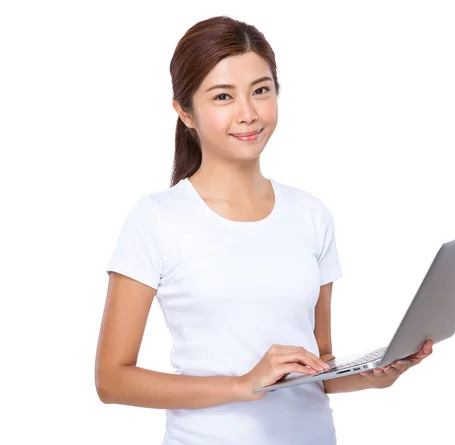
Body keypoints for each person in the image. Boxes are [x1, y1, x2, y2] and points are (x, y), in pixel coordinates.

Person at [95, 15, 434, 445]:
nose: (248, 113)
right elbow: (112, 380)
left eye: (261, 90)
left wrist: (374, 375)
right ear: (185, 112)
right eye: (223, 96)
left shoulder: (311, 215)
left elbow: (320, 368)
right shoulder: (156, 220)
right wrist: (242, 384)